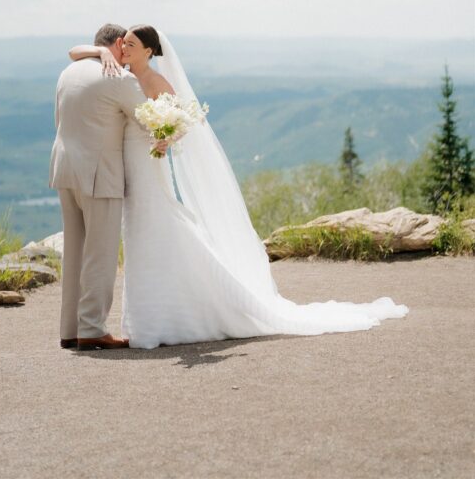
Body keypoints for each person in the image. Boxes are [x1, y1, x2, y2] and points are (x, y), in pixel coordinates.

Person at [69, 25, 409, 350]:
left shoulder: (157, 81)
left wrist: (164, 139)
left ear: (148, 51)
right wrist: (102, 51)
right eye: (122, 43)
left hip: (146, 167)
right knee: (141, 237)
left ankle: (162, 320)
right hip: (129, 166)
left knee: (157, 229)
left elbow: (180, 123)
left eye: (130, 44)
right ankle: (149, 320)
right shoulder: (125, 78)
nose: (123, 48)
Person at [48, 23, 141, 350]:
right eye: (125, 49)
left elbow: (60, 119)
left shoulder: (67, 73)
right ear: (117, 43)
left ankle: (69, 329)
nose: (126, 57)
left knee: (74, 251)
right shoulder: (117, 77)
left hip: (65, 168)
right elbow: (145, 117)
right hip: (99, 173)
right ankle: (91, 328)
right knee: (100, 254)